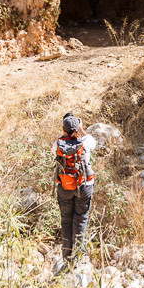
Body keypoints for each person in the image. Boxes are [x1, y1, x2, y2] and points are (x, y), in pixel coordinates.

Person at [54, 112, 95, 270]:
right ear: (78, 127)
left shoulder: (57, 144)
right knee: (81, 219)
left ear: (63, 129)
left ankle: (67, 259)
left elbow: (56, 153)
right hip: (84, 186)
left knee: (66, 220)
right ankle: (78, 258)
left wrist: (66, 133)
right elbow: (94, 142)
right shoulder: (85, 141)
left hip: (64, 186)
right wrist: (82, 130)